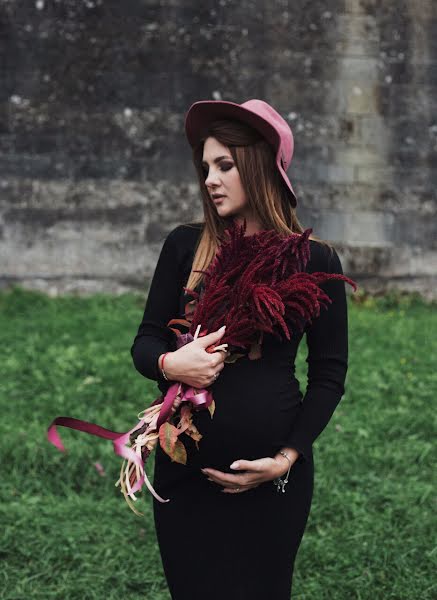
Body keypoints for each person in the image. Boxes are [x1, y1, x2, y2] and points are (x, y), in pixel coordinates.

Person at [131, 99, 351, 599]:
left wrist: (287, 457)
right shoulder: (185, 246)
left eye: (225, 165)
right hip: (184, 473)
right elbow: (144, 343)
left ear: (259, 166)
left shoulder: (316, 260)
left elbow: (329, 375)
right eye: (206, 167)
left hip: (274, 481)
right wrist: (171, 363)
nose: (210, 179)